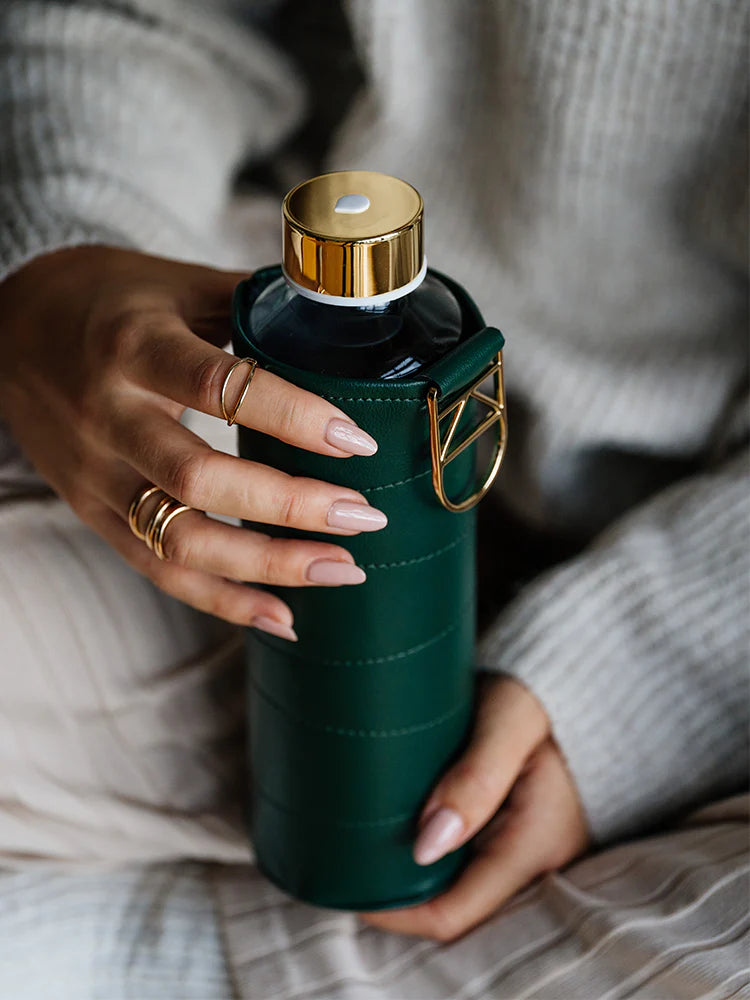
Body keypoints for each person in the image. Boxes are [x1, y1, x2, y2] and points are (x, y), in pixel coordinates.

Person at [0, 1, 747, 997]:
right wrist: (57, 267)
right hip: (227, 439)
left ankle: (176, 938)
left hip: (709, 585)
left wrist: (653, 676)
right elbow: (138, 19)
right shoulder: (288, 317)